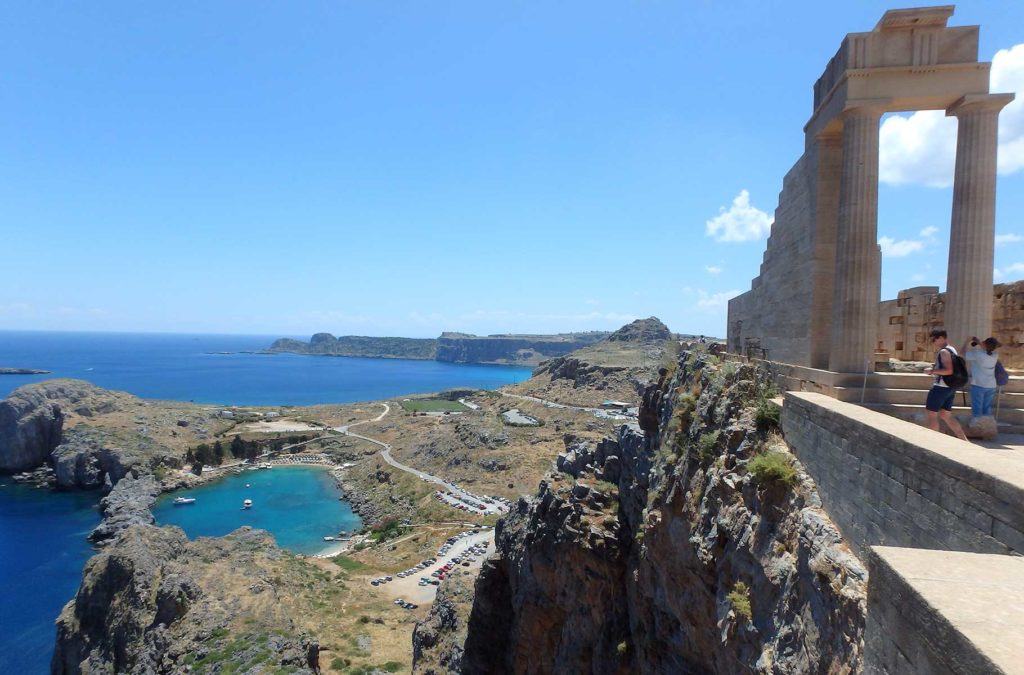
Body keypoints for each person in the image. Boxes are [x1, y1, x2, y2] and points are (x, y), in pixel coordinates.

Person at [923, 329, 969, 441]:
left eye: (934, 339)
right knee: (945, 415)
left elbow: (948, 370)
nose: (933, 342)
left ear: (942, 337)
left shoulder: (944, 352)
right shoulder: (952, 349)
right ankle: (964, 440)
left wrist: (932, 371)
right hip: (950, 387)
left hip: (941, 387)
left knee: (932, 415)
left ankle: (932, 442)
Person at [962, 335, 1000, 419]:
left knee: (977, 410)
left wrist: (967, 341)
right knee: (986, 409)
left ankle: (977, 427)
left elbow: (962, 353)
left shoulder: (978, 354)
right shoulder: (995, 355)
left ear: (985, 345)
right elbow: (988, 349)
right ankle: (988, 426)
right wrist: (979, 342)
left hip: (979, 385)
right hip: (991, 386)